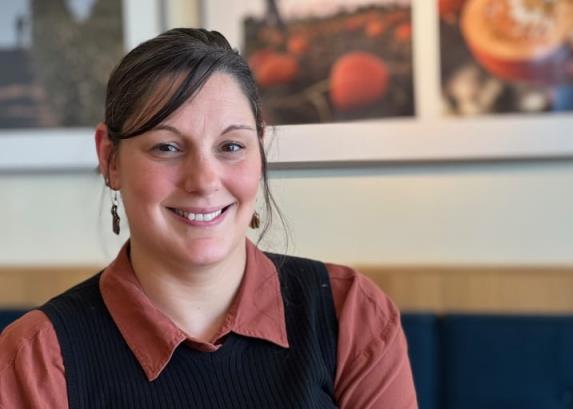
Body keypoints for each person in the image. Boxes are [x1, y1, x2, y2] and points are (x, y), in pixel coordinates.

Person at [0, 28, 418, 408]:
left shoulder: (349, 316)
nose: (203, 181)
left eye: (231, 146)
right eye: (166, 147)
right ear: (110, 159)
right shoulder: (37, 357)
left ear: (260, 149)